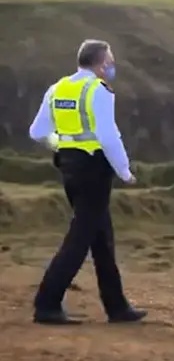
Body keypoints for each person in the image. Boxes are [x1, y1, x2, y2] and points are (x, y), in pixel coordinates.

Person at [28, 39, 145, 325]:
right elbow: (108, 136)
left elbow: (37, 131)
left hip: (69, 166)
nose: (113, 65)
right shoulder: (98, 90)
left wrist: (62, 144)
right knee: (80, 238)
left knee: (101, 237)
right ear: (100, 63)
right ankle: (47, 303)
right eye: (111, 60)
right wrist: (125, 171)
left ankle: (117, 307)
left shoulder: (58, 88)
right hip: (94, 169)